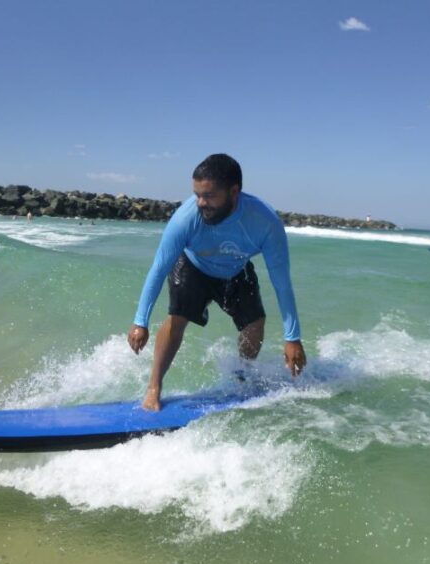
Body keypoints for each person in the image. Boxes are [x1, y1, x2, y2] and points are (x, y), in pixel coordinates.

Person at [127, 153, 306, 411]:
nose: (201, 202)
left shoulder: (264, 222)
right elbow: (158, 268)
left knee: (255, 324)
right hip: (193, 266)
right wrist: (139, 322)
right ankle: (154, 386)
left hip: (235, 269)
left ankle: (241, 380)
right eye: (197, 194)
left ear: (234, 192)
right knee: (178, 318)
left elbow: (282, 282)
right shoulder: (186, 218)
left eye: (209, 196)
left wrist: (293, 337)